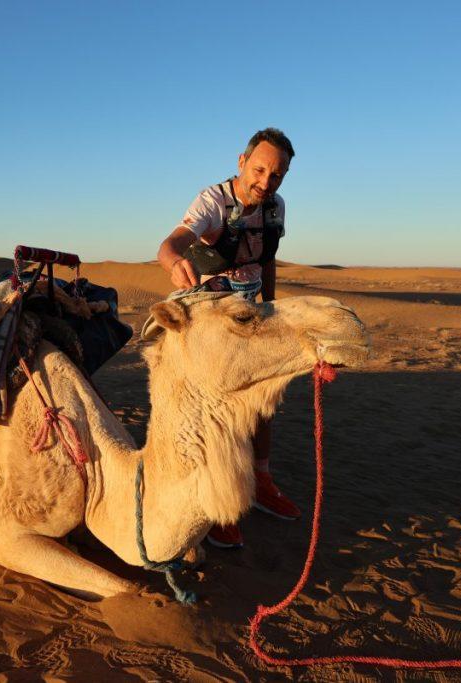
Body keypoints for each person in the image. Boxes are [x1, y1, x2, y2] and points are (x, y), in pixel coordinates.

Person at [156, 127, 300, 549]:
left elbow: (267, 260)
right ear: (242, 161)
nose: (266, 182)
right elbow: (171, 244)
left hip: (251, 313)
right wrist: (174, 262)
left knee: (265, 398)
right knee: (220, 411)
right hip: (211, 321)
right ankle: (217, 504)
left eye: (277, 175)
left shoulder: (276, 208)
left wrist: (272, 309)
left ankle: (260, 481)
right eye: (259, 170)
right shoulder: (212, 202)